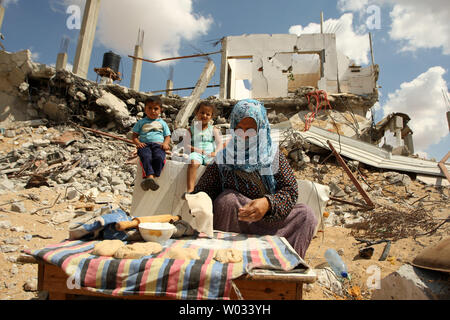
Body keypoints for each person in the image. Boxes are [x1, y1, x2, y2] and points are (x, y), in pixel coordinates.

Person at [193, 99, 317, 258]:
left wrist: (267, 203)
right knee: (227, 201)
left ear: (261, 129)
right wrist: (197, 202)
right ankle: (226, 259)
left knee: (306, 215)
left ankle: (284, 265)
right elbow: (203, 191)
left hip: (271, 223)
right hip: (236, 224)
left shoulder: (272, 155)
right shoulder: (224, 158)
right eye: (239, 129)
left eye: (251, 129)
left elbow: (290, 191)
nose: (244, 135)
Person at [132, 96, 171, 191]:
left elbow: (167, 136)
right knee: (146, 157)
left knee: (159, 158)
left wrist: (165, 144)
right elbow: (134, 136)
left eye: (156, 109)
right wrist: (138, 143)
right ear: (145, 109)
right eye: (149, 108)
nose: (152, 111)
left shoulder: (163, 123)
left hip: (158, 145)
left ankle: (152, 178)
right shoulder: (141, 122)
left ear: (160, 110)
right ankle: (149, 177)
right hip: (145, 145)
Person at [186, 102, 223, 193]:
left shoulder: (213, 129)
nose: (204, 116)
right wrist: (196, 150)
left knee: (213, 167)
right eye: (202, 113)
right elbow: (186, 144)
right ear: (196, 113)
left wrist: (216, 152)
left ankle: (209, 191)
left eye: (208, 114)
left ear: (211, 117)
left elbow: (220, 143)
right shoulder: (191, 129)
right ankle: (190, 189)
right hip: (196, 153)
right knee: (193, 163)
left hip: (209, 154)